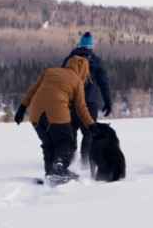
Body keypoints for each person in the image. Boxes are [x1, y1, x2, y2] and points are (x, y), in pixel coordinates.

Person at [14, 56, 97, 184]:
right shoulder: (77, 81)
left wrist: (21, 109)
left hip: (35, 113)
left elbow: (33, 90)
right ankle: (59, 169)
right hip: (56, 111)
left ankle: (50, 172)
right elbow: (81, 107)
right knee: (66, 142)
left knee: (49, 144)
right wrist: (91, 125)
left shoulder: (50, 71)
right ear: (83, 70)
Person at [62, 32, 113, 165]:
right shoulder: (96, 61)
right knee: (89, 133)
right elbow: (103, 82)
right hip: (90, 102)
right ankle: (85, 163)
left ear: (80, 44)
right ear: (91, 46)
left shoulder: (69, 59)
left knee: (71, 132)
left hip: (71, 102)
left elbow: (61, 81)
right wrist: (108, 101)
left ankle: (69, 162)